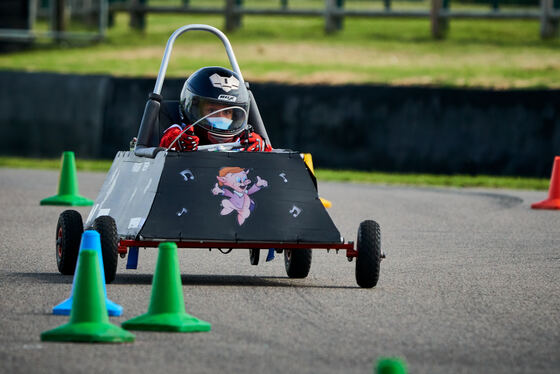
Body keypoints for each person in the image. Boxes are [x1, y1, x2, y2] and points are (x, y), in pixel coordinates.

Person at [160, 66, 271, 152]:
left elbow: (272, 162)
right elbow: (168, 140)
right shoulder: (182, 134)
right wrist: (178, 144)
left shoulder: (243, 140)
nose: (220, 118)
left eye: (227, 112)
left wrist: (261, 146)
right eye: (212, 111)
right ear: (195, 110)